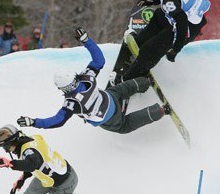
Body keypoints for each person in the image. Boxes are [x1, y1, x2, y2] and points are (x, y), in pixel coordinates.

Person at [17, 27, 171, 134]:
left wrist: (34, 122)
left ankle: (160, 111)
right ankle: (143, 82)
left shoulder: (72, 103)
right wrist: (86, 40)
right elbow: (99, 60)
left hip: (109, 117)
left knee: (125, 126)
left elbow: (58, 121)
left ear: (63, 89)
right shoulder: (86, 77)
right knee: (120, 89)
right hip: (110, 97)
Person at [122, 0, 210, 81]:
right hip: (194, 17)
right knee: (159, 13)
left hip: (187, 29)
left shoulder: (169, 1)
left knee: (149, 50)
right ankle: (140, 41)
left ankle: (130, 79)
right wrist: (151, 1)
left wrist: (175, 49)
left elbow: (181, 24)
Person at [0, 124, 84, 194]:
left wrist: (11, 163)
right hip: (48, 178)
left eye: (6, 147)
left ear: (14, 140)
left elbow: (32, 163)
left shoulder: (28, 150)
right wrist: (22, 178)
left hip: (64, 181)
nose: (6, 150)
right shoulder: (29, 142)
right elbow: (37, 163)